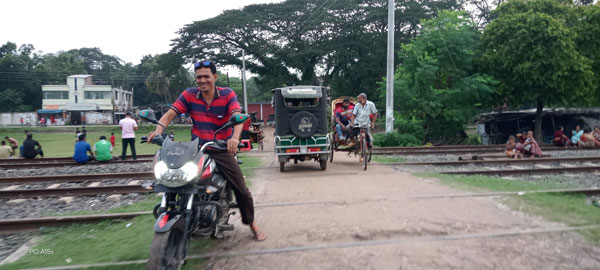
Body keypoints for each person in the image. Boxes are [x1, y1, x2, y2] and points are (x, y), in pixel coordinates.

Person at [147, 60, 266, 241]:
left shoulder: (227, 94)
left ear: (214, 77)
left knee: (241, 190)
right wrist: (157, 131)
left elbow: (237, 117)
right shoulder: (189, 95)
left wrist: (234, 138)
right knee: (177, 180)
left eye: (206, 76)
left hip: (221, 148)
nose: (202, 80)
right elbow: (170, 114)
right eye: (199, 77)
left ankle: (252, 223)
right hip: (196, 148)